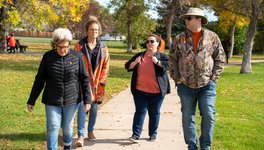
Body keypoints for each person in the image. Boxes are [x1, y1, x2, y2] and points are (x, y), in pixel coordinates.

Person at [26, 28, 92, 150]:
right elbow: (39, 80)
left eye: (65, 47)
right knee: (53, 126)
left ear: (69, 45)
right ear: (55, 45)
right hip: (52, 99)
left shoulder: (77, 57)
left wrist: (87, 100)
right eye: (59, 47)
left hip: (72, 99)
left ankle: (67, 145)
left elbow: (84, 79)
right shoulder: (48, 57)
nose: (63, 50)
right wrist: (32, 100)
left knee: (67, 128)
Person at [169, 7, 225, 150]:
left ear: (199, 19)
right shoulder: (179, 38)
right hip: (185, 86)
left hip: (207, 85)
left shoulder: (212, 37)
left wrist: (213, 79)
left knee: (208, 114)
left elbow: (220, 58)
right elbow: (172, 59)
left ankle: (205, 146)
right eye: (186, 18)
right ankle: (192, 146)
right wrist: (177, 79)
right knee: (187, 117)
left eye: (189, 18)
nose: (186, 20)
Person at [125, 34, 171, 143]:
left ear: (158, 43)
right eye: (147, 41)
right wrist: (135, 62)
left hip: (157, 92)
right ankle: (136, 135)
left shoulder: (162, 56)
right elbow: (128, 66)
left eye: (152, 41)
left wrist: (157, 62)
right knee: (140, 112)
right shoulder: (140, 55)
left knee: (154, 113)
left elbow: (169, 65)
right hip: (140, 91)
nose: (149, 43)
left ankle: (153, 134)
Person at [74, 16, 110, 147]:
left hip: (97, 85)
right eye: (91, 29)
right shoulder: (79, 46)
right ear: (87, 31)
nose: (94, 32)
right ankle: (80, 135)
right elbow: (74, 64)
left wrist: (101, 81)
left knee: (94, 109)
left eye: (96, 30)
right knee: (83, 108)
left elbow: (106, 66)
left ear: (99, 31)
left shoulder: (103, 47)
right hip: (83, 83)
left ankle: (90, 131)